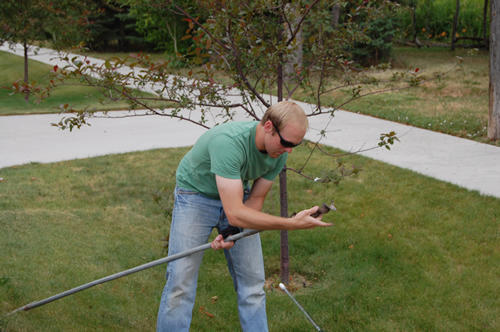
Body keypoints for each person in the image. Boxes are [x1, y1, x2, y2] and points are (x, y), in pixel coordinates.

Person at [157, 100, 332, 331]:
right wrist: (290, 223)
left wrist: (233, 231)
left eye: (295, 145)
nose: (289, 150)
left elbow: (256, 200)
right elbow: (237, 213)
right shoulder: (228, 143)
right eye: (287, 142)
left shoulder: (278, 152)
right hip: (196, 196)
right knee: (181, 282)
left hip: (237, 195)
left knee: (253, 285)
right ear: (268, 126)